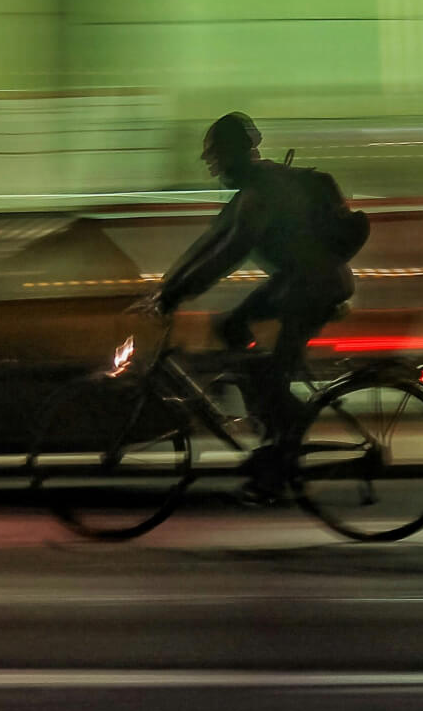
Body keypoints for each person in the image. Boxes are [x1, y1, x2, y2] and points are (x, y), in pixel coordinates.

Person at [151, 112, 356, 502]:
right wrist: (167, 285)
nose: (210, 164)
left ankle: (280, 456)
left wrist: (177, 294)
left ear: (234, 152)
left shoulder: (262, 192)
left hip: (315, 287)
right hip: (298, 282)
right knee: (231, 329)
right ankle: (272, 424)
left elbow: (229, 252)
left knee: (273, 375)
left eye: (214, 155)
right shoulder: (252, 190)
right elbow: (210, 241)